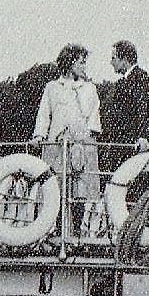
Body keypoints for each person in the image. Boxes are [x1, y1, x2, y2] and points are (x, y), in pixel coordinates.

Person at [30, 43, 102, 234]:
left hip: (81, 146)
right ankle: (55, 233)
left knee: (79, 192)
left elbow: (94, 118)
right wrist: (39, 136)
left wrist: (87, 140)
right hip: (56, 147)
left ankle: (76, 235)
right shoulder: (52, 88)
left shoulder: (90, 89)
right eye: (81, 62)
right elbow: (44, 114)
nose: (84, 66)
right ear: (69, 63)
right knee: (55, 190)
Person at [105, 40, 149, 153]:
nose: (111, 62)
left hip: (133, 144)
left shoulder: (141, 78)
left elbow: (144, 109)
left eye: (114, 58)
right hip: (121, 143)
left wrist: (143, 136)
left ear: (125, 60)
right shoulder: (122, 82)